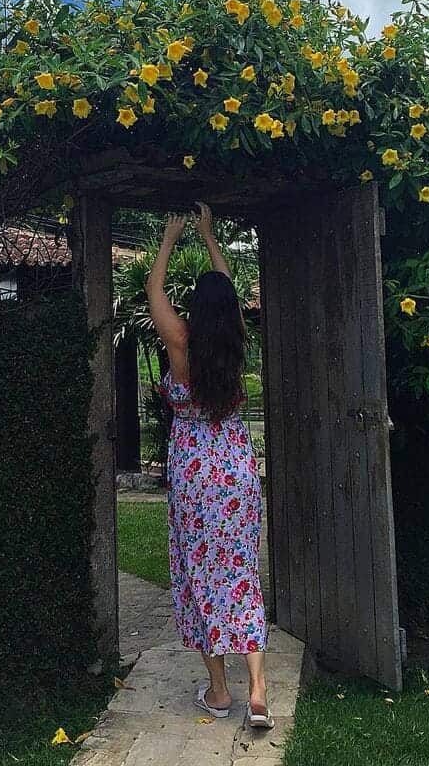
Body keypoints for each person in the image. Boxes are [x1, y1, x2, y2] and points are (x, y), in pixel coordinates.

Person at [144, 201, 273, 729]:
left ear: (195, 309)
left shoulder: (182, 344)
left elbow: (154, 292)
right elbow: (227, 293)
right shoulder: (234, 340)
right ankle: (258, 693)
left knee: (199, 572)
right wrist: (211, 236)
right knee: (240, 571)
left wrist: (171, 238)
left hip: (196, 475)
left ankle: (219, 692)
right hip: (237, 469)